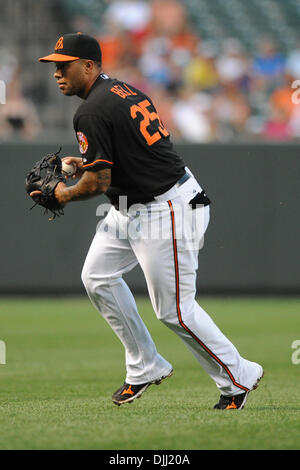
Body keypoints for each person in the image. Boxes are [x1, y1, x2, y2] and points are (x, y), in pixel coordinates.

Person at [33, 33, 263, 409]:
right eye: (54, 65)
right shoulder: (121, 90)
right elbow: (121, 153)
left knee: (175, 310)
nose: (57, 72)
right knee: (98, 277)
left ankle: (239, 376)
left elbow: (98, 182)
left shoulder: (90, 110)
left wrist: (62, 193)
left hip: (165, 207)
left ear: (88, 66)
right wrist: (81, 162)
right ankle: (145, 366)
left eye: (65, 64)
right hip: (134, 205)